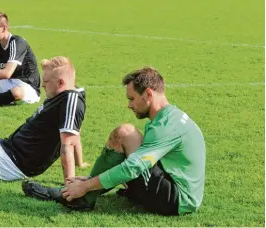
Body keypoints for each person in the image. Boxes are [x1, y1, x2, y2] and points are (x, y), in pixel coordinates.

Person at [22, 67, 206, 216]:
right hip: (177, 188)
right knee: (128, 136)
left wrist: (86, 186)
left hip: (177, 200)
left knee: (124, 134)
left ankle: (81, 198)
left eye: (132, 99)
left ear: (148, 94)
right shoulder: (169, 116)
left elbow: (133, 168)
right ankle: (89, 190)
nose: (129, 105)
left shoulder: (166, 128)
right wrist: (93, 179)